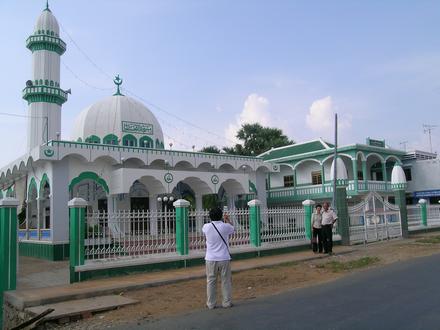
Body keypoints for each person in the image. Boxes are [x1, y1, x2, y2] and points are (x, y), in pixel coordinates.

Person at [202, 207, 235, 309]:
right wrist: (227, 220)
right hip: (224, 258)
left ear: (210, 216)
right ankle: (226, 302)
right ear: (221, 216)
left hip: (210, 258)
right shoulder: (225, 227)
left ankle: (211, 304)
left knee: (211, 281)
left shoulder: (206, 227)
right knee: (226, 281)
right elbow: (233, 228)